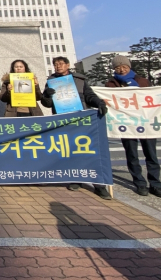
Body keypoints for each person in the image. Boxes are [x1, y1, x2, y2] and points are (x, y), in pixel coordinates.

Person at [41, 56, 111, 200]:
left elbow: (89, 95)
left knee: (89, 150)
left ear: (67, 65)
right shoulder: (51, 81)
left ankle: (99, 185)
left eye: (61, 64)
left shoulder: (80, 80)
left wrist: (99, 103)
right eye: (55, 64)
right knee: (70, 149)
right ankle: (75, 179)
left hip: (82, 118)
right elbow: (47, 104)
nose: (58, 66)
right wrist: (46, 95)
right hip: (63, 120)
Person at [105, 55, 161, 198]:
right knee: (132, 154)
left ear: (129, 67)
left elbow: (156, 99)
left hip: (146, 122)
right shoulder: (111, 85)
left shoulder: (143, 82)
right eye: (117, 67)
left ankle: (156, 184)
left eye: (124, 67)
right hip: (126, 123)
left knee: (151, 154)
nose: (121, 70)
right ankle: (139, 183)